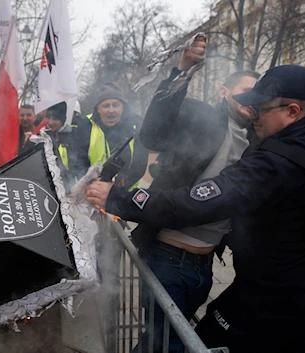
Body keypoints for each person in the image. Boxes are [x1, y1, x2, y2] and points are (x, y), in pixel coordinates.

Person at [87, 65, 305, 353]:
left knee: (189, 343)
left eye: (262, 108)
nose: (254, 114)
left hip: (272, 297)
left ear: (291, 112)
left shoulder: (274, 164)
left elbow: (196, 203)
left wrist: (120, 199)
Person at [105, 36, 259, 352]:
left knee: (157, 342)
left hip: (204, 268)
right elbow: (154, 134)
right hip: (167, 258)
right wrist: (182, 72)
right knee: (172, 344)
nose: (252, 100)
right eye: (245, 91)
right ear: (224, 91)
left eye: (259, 95)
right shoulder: (200, 117)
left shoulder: (260, 141)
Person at [73, 82, 149, 190]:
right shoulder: (86, 125)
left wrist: (117, 189)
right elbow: (78, 161)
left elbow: (140, 164)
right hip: (91, 193)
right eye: (106, 106)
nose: (111, 110)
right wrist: (93, 183)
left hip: (124, 194)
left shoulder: (136, 125)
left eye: (116, 105)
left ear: (122, 107)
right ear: (98, 109)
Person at [44, 102, 77, 191]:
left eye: (55, 119)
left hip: (69, 186)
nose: (50, 122)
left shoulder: (72, 137)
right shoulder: (42, 137)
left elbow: (75, 165)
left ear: (63, 120)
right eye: (48, 118)